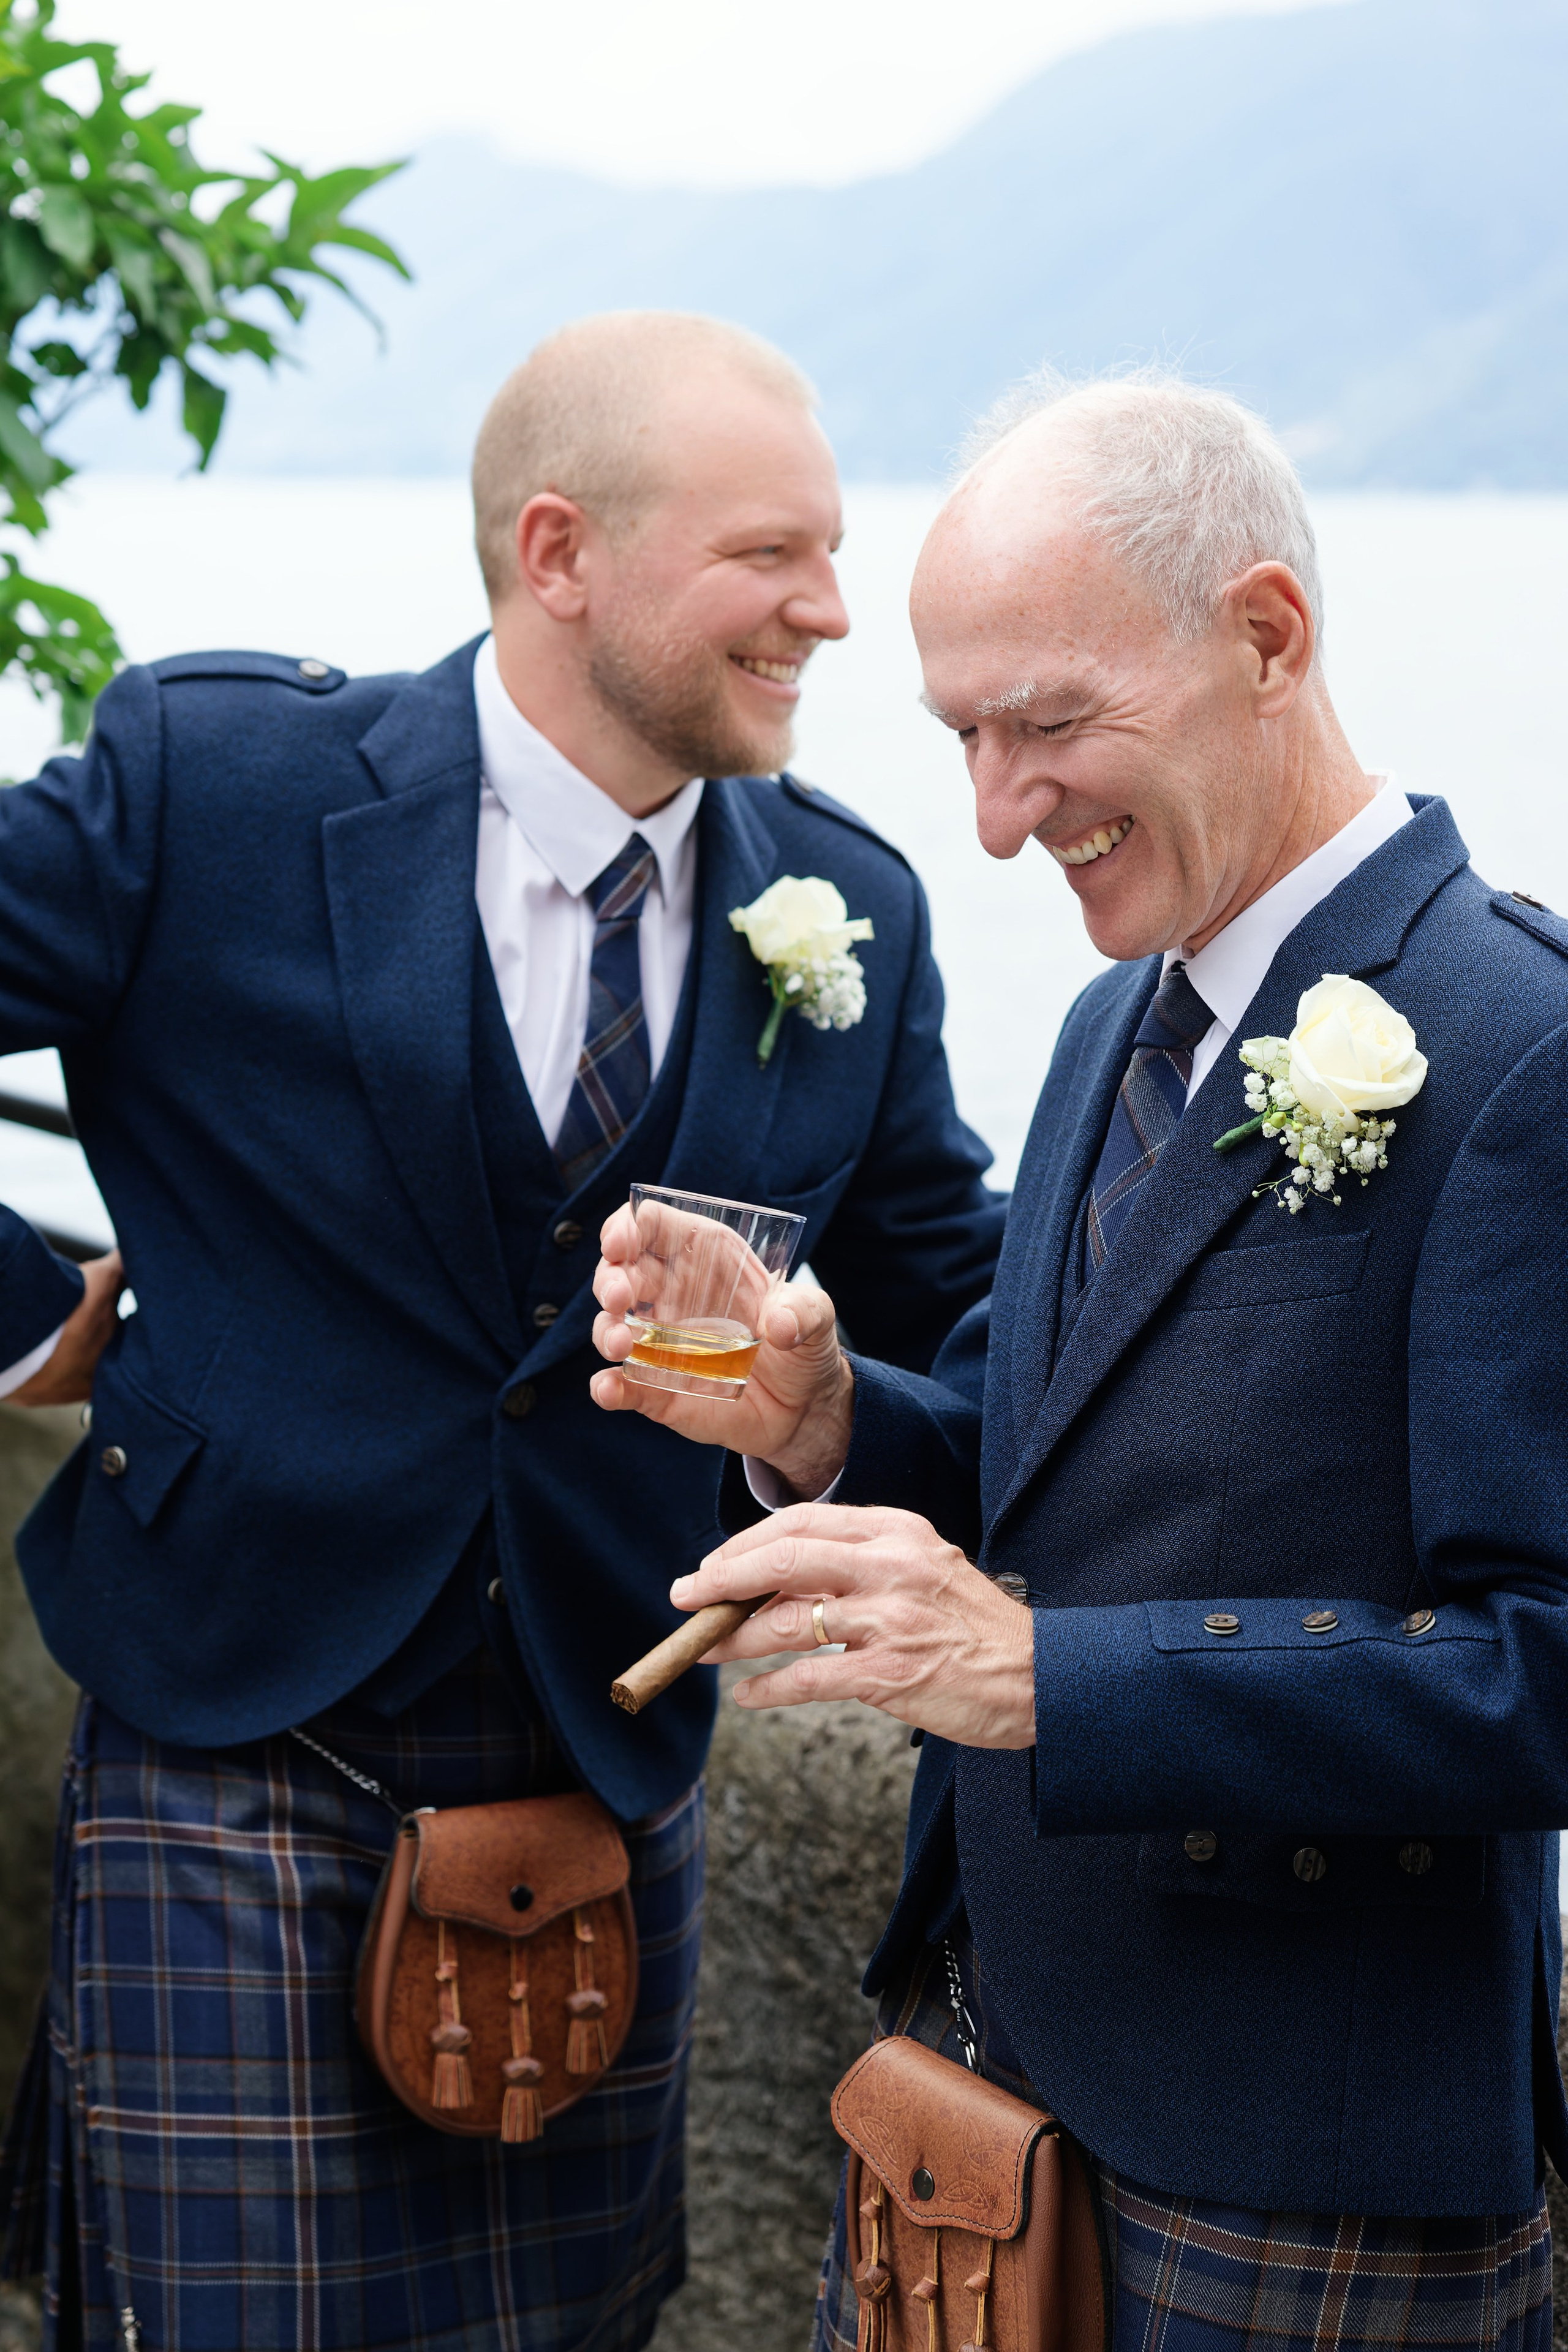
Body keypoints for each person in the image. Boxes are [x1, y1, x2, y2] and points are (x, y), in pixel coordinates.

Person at [0, 311, 1006, 2352]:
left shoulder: (852, 908)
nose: (831, 610)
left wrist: (842, 1422)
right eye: (770, 555)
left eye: (830, 551)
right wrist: (20, 1322)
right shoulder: (216, 786)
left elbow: (960, 1307)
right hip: (229, 1738)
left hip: (605, 1780)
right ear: (562, 554)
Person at [592, 371, 1568, 2352]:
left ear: (1268, 637)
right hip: (981, 2096)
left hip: (1302, 2175)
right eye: (964, 736)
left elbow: (1545, 1671)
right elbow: (1043, 1471)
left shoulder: (1519, 1048)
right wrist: (824, 1420)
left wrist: (1044, 1677)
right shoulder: (1111, 1025)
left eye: (1046, 723)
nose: (994, 816)